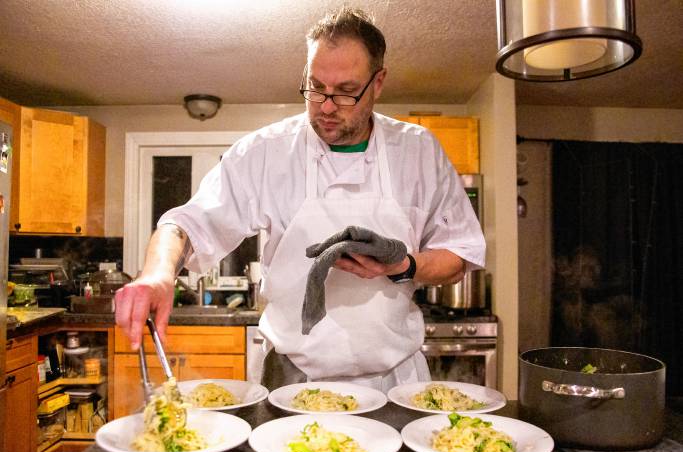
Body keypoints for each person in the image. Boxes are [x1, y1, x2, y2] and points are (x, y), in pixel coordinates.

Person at [115, 7, 485, 392]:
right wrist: (156, 274)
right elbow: (186, 223)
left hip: (394, 381)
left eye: (345, 92)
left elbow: (458, 254)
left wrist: (404, 265)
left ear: (378, 83)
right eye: (316, 87)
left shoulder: (418, 151)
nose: (326, 106)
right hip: (293, 379)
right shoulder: (265, 152)